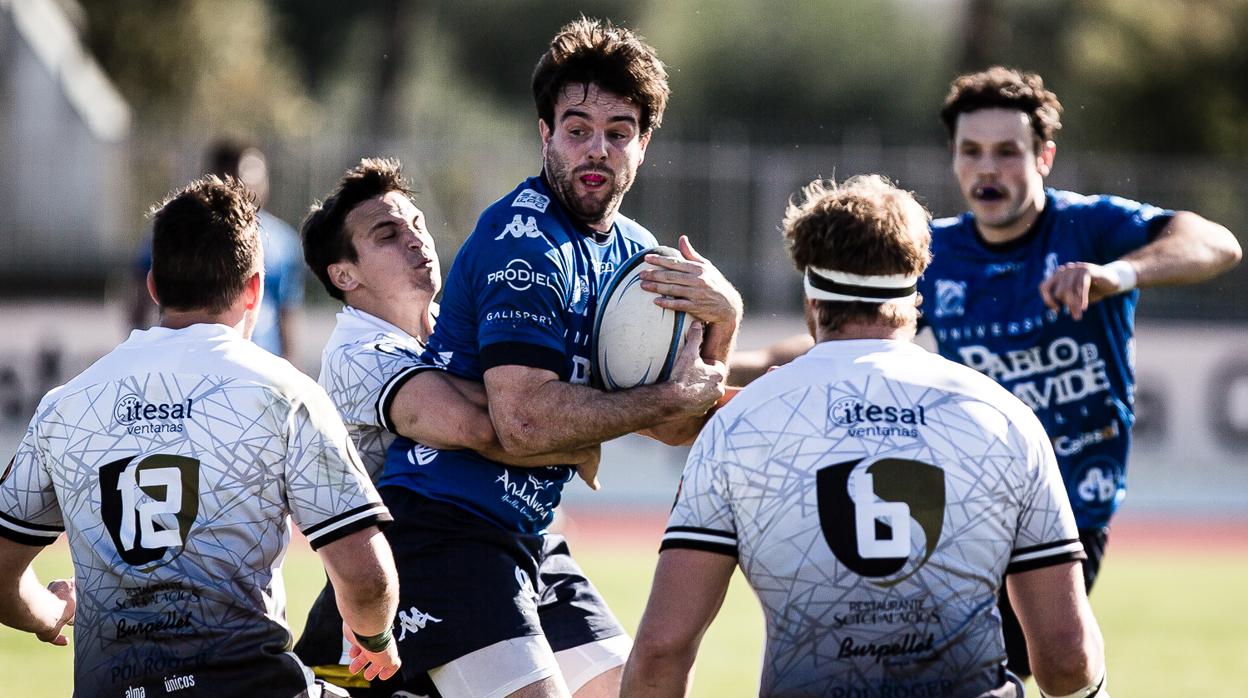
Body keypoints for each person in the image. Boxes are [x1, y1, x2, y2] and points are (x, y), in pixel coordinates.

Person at [622, 174, 1107, 698]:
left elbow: (663, 651)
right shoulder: (1005, 417)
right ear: (916, 295)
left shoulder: (738, 426)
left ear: (811, 300)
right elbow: (1066, 658)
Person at [374, 17, 741, 697]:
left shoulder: (640, 256)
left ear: (645, 143)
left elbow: (674, 424)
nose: (596, 149)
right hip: (446, 530)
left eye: (618, 131)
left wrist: (724, 321)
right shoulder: (525, 243)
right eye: (576, 129)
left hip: (530, 539)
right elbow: (525, 422)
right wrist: (668, 400)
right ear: (545, 133)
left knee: (646, 688)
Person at [0, 176, 400, 697]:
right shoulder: (287, 394)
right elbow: (367, 579)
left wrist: (50, 612)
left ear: (153, 286)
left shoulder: (65, 405)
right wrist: (376, 638)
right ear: (256, 287)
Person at [919, 66, 1241, 678]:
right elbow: (847, 338)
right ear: (955, 160)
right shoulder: (934, 252)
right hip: (969, 500)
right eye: (971, 152)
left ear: (1045, 156)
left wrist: (1116, 274)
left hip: (1071, 505)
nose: (987, 169)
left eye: (1008, 152)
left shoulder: (1090, 227)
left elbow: (1217, 242)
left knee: (1013, 668)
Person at [293, 157, 602, 697]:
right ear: (345, 275)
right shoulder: (358, 351)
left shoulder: (452, 330)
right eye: (388, 235)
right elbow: (486, 426)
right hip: (425, 562)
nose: (416, 241)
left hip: (518, 543)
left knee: (629, 683)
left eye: (418, 225)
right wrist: (573, 435)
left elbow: (535, 408)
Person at [130, 140, 306, 362]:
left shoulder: (281, 242)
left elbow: (287, 310)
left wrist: (289, 366)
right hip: (184, 361)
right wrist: (137, 352)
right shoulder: (174, 232)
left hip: (259, 361)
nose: (245, 186)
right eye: (235, 177)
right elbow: (139, 299)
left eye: (254, 177)